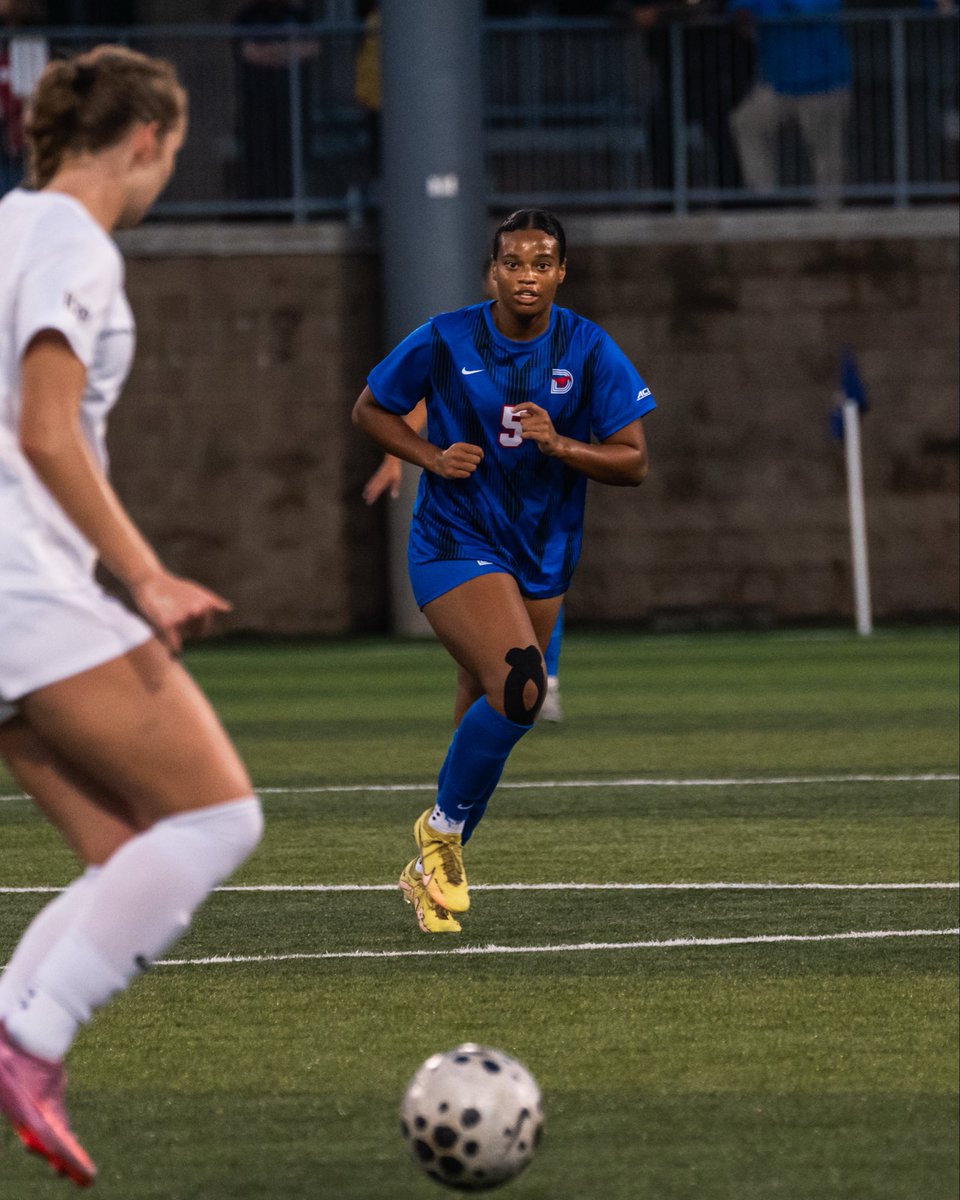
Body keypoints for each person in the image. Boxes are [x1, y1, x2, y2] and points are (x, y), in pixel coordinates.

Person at [0, 45, 264, 1187]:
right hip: (21, 584)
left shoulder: (5, 226)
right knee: (216, 822)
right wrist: (145, 578)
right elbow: (47, 432)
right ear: (146, 141)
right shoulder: (72, 244)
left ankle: (20, 1030)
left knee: (125, 856)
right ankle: (30, 1044)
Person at [353, 208, 654, 935]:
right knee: (522, 684)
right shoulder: (446, 336)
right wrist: (427, 457)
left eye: (541, 262)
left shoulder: (587, 347)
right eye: (513, 263)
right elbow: (370, 409)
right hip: (454, 541)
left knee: (489, 715)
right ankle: (439, 834)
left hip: (544, 552)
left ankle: (434, 865)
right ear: (492, 272)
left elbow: (634, 459)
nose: (527, 276)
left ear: (561, 272)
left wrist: (564, 447)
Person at [727, 0, 851, 207]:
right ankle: (764, 201)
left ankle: (830, 217)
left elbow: (809, 9)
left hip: (824, 83)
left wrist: (763, 10)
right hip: (777, 83)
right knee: (746, 123)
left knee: (825, 153)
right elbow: (738, 9)